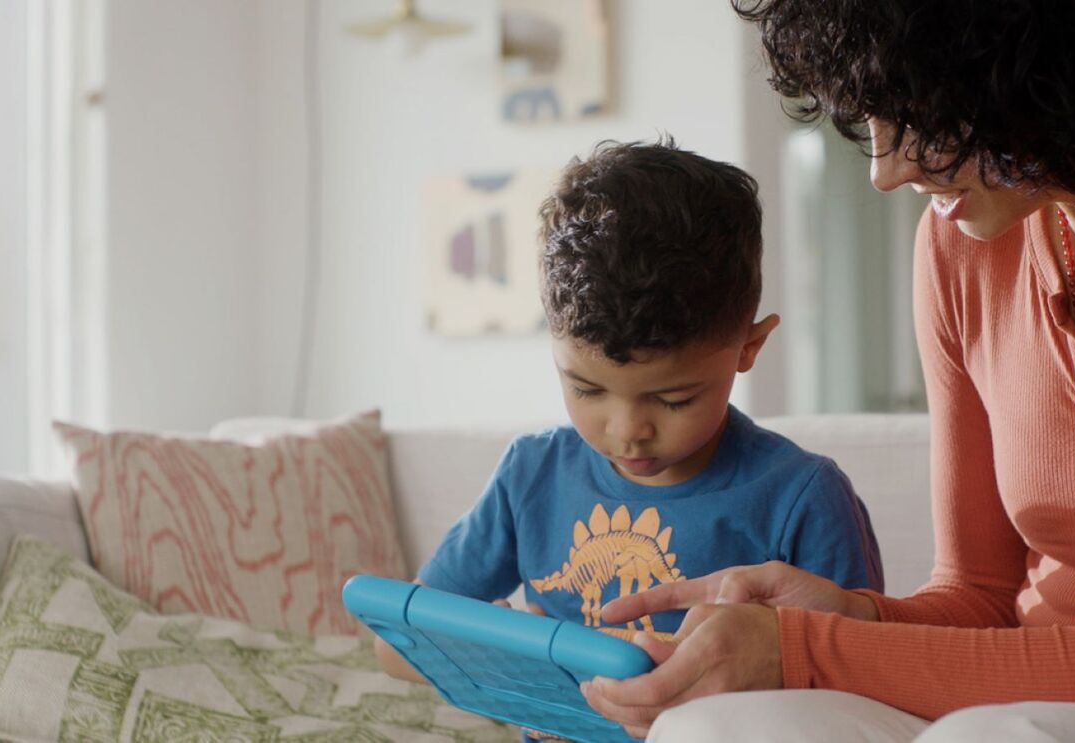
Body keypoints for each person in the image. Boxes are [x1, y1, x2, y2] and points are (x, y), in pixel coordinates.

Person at [580, 2, 1075, 741]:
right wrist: (854, 616)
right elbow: (978, 594)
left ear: (1050, 77)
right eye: (871, 120)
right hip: (1028, 689)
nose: (883, 172)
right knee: (717, 726)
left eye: (922, 119)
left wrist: (801, 650)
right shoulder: (963, 247)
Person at [375, 140, 883, 686]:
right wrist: (490, 654)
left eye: (673, 400)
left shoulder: (802, 497)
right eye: (586, 390)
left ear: (748, 347)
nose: (626, 433)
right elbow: (396, 647)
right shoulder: (530, 476)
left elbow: (865, 675)